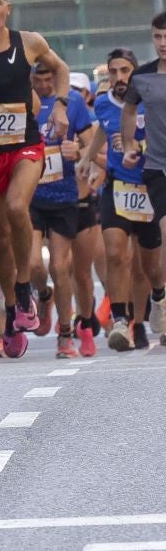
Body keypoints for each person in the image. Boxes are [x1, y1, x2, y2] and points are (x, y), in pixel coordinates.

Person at [0, 0, 69, 356]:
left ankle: (24, 288)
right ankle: (12, 310)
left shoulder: (29, 42)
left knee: (15, 208)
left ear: (8, 7)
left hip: (26, 145)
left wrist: (59, 103)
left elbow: (59, 67)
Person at [94, 48, 154, 349]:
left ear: (135, 71)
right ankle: (120, 319)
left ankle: (142, 319)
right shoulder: (103, 103)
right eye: (114, 71)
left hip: (150, 187)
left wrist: (140, 147)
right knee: (115, 252)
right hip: (116, 187)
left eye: (125, 71)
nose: (119, 77)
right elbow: (101, 133)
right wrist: (88, 159)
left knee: (146, 265)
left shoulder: (152, 100)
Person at [32, 61, 93, 357]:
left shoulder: (74, 102)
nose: (44, 86)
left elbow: (93, 146)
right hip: (29, 194)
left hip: (63, 195)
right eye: (38, 80)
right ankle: (44, 296)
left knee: (59, 266)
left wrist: (78, 151)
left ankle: (65, 335)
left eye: (48, 79)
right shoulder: (21, 100)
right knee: (33, 265)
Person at [118, 13, 166, 339]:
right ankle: (160, 295)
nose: (163, 44)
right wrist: (128, 145)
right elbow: (129, 109)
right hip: (157, 167)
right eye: (157, 37)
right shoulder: (143, 75)